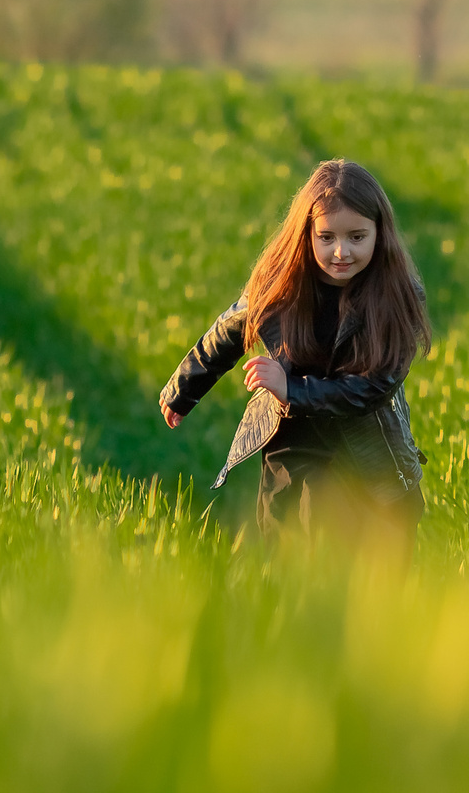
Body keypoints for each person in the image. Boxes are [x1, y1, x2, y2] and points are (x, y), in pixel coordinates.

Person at [160, 158, 430, 541]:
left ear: (379, 233)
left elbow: (373, 389)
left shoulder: (396, 296)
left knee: (375, 569)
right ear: (307, 234)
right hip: (293, 446)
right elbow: (230, 329)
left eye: (357, 237)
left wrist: (292, 389)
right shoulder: (280, 284)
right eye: (327, 238)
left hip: (370, 449)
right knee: (296, 559)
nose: (341, 252)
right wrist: (185, 388)